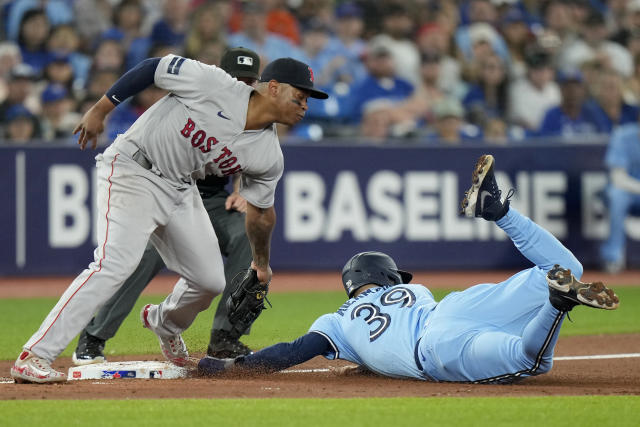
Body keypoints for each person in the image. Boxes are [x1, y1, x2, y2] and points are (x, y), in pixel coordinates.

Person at [10, 48, 328, 383]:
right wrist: (101, 109)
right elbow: (153, 67)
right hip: (134, 168)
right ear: (274, 87)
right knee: (114, 264)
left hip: (180, 188)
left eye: (309, 99)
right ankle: (35, 355)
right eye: (300, 95)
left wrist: (260, 265)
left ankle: (164, 323)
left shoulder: (268, 155)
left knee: (209, 280)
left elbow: (262, 214)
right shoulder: (214, 83)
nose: (305, 105)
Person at [199, 154, 619, 383]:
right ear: (385, 278)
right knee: (562, 266)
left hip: (435, 352)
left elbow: (293, 353)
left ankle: (556, 304)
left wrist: (236, 366)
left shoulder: (336, 322)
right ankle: (500, 213)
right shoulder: (413, 293)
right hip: (451, 308)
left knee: (530, 360)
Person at [71, 47, 266, 366]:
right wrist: (101, 107)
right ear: (220, 73)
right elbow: (151, 68)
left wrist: (245, 190)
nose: (242, 85)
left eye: (248, 80)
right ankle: (95, 335)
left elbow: (257, 160)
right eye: (237, 78)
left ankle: (223, 336)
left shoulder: (253, 115)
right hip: (165, 189)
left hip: (213, 203)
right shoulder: (200, 87)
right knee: (142, 255)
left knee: (248, 235)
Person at [600, 124, 640, 274]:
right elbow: (618, 179)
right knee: (617, 195)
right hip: (627, 193)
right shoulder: (622, 136)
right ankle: (614, 257)